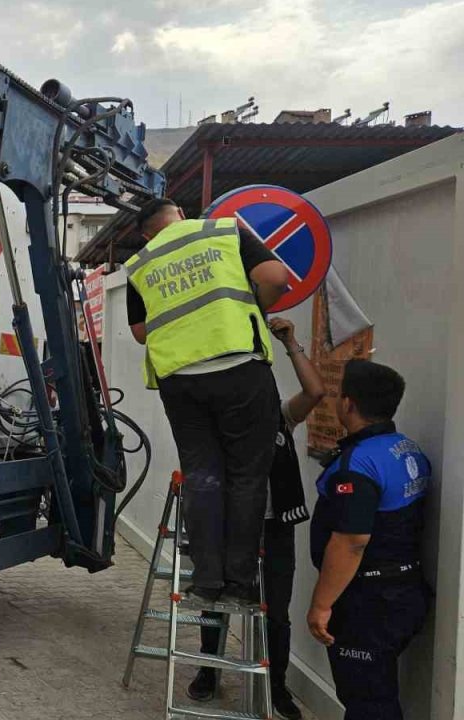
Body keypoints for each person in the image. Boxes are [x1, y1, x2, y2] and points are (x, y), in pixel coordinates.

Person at [125, 198, 291, 604]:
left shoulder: (140, 263)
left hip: (180, 380)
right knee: (247, 477)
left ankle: (206, 581)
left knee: (202, 475)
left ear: (147, 233)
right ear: (180, 214)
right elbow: (275, 276)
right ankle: (238, 583)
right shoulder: (222, 231)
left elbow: (142, 332)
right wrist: (251, 307)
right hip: (238, 366)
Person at [186, 317, 322, 720]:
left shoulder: (282, 418)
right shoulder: (218, 430)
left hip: (274, 528)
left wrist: (291, 342)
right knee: (217, 601)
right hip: (229, 529)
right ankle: (209, 672)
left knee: (276, 611)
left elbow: (316, 391)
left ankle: (276, 686)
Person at [306, 359, 431, 719]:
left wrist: (321, 605)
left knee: (367, 702)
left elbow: (352, 541)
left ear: (348, 404)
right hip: (404, 592)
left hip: (369, 604)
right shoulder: (406, 448)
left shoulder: (359, 464)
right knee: (376, 694)